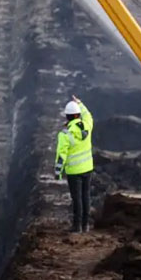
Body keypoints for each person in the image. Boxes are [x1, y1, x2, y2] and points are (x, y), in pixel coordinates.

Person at [54, 96, 95, 232]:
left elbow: (61, 156)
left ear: (67, 117)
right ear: (78, 115)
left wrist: (58, 173)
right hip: (88, 168)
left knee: (77, 198)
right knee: (86, 196)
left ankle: (77, 226)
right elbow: (88, 116)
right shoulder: (87, 127)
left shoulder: (65, 135)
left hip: (74, 172)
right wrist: (80, 103)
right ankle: (85, 225)